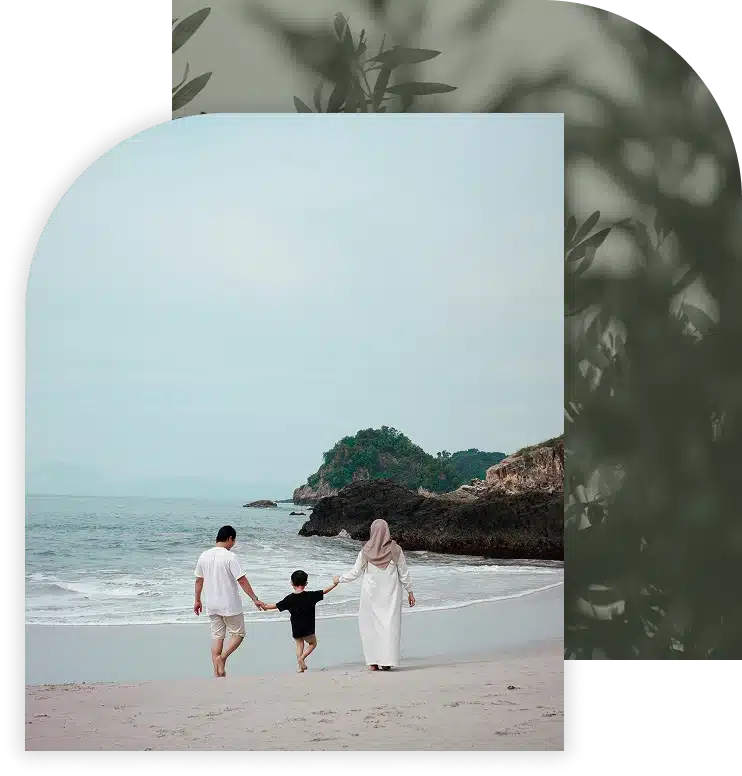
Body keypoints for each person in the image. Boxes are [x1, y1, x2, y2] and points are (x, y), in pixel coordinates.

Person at [334, 518, 415, 671]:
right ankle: (387, 661)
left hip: (370, 595)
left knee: (369, 626)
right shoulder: (395, 549)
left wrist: (339, 579)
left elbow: (355, 573)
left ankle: (372, 662)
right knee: (389, 625)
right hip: (391, 595)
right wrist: (410, 591)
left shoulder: (366, 550)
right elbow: (404, 573)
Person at [193, 525, 266, 678]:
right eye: (234, 541)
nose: (233, 545)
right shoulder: (230, 557)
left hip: (212, 604)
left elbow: (199, 581)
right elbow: (242, 580)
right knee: (238, 634)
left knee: (217, 636)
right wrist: (255, 599)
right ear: (230, 539)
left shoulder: (204, 555)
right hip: (230, 604)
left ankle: (218, 673)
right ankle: (222, 658)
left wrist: (197, 600)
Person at [260, 570, 338, 673]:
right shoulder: (311, 595)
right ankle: (302, 658)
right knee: (313, 643)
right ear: (306, 583)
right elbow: (324, 591)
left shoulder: (289, 599)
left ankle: (300, 668)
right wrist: (334, 584)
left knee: (299, 644)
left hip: (296, 627)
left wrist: (263, 606)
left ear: (292, 583)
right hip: (308, 628)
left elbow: (274, 606)